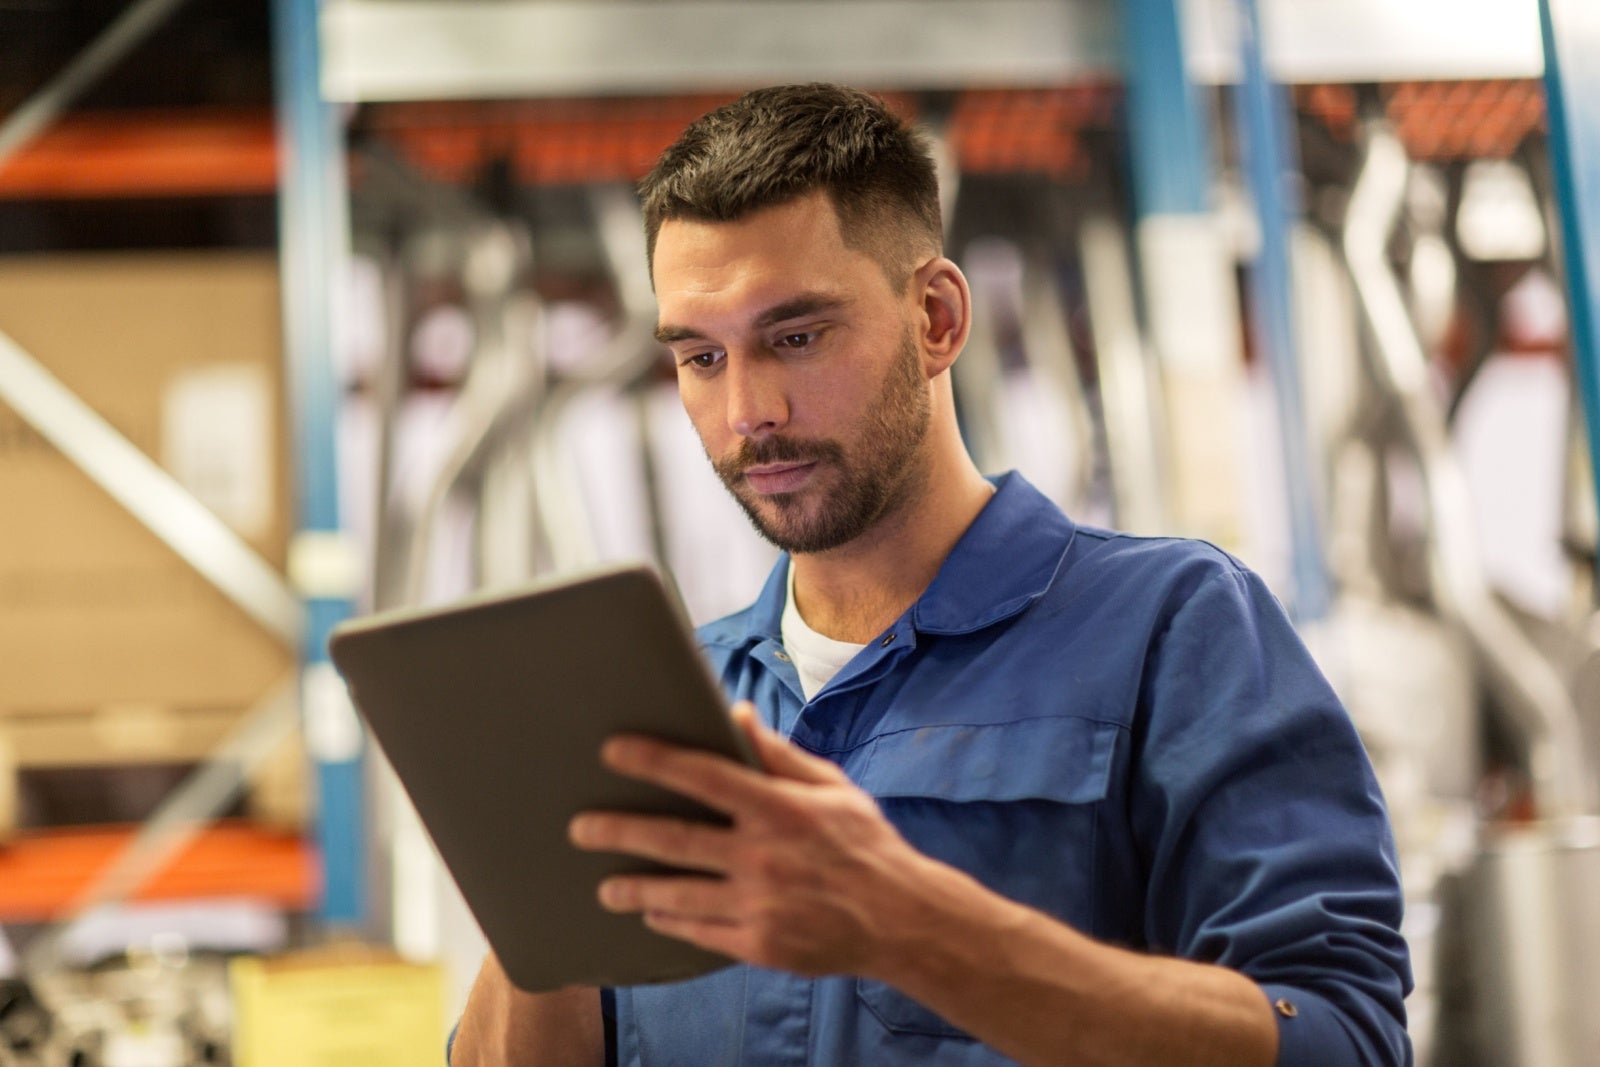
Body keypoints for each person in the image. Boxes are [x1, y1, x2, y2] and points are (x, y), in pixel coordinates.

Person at [451, 83, 1411, 1067]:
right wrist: (534, 886)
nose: (748, 410)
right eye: (701, 355)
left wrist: (911, 923)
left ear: (938, 317)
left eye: (795, 336)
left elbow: (1344, 1041)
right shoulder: (666, 705)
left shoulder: (1173, 628)